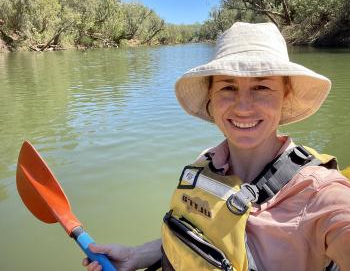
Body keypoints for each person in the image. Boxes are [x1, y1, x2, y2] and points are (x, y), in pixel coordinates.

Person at [83, 22, 350, 271]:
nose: (243, 106)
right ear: (211, 95)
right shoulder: (208, 162)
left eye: (261, 87)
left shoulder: (321, 195)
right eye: (227, 87)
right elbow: (204, 234)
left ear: (286, 95)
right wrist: (136, 255)